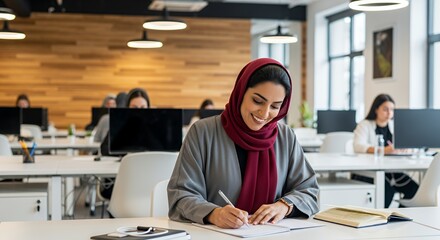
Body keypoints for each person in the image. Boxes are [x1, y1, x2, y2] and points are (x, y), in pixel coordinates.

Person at [168, 58, 319, 229]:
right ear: (240, 92)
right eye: (257, 101)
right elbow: (180, 195)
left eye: (275, 106)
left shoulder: (286, 137)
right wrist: (214, 214)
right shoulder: (202, 132)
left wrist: (284, 206)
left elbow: (310, 191)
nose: (265, 113)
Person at [353, 93, 419, 207]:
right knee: (387, 191)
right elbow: (358, 146)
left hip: (392, 171)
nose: (389, 113)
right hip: (370, 172)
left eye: (392, 109)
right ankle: (382, 219)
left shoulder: (394, 125)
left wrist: (404, 148)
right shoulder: (364, 125)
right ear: (376, 109)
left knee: (415, 191)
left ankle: (399, 216)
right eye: (385, 109)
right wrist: (383, 150)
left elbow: (404, 143)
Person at [98, 88, 150, 200]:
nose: (139, 111)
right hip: (121, 182)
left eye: (143, 108)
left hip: (148, 181)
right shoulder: (119, 125)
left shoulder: (154, 129)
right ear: (127, 108)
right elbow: (105, 149)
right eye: (134, 108)